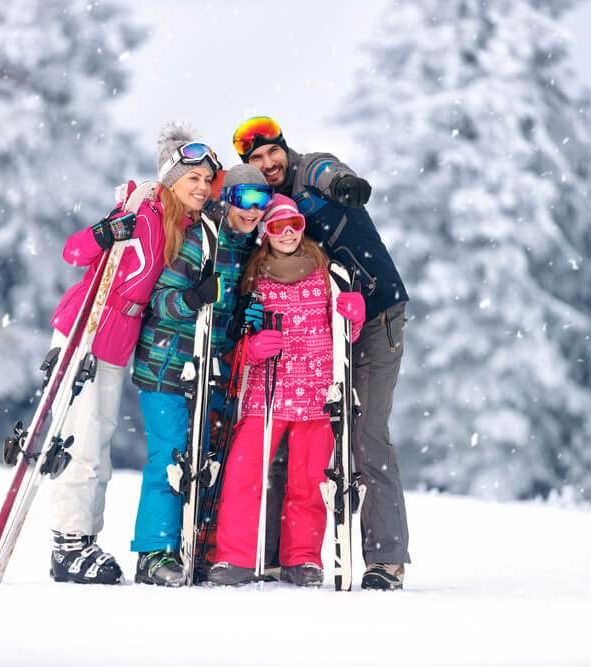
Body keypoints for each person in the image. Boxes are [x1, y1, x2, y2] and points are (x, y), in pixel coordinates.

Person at [231, 116, 411, 590]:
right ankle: (283, 554)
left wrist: (346, 185)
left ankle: (386, 559)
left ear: (286, 150)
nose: (269, 164)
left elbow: (328, 169)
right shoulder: (267, 207)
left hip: (372, 317)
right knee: (300, 436)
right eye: (256, 159)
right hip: (320, 332)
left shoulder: (310, 174)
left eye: (273, 153)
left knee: (363, 431)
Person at [46, 126, 203, 584]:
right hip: (87, 328)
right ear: (171, 178)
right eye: (190, 177)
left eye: (205, 180)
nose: (200, 187)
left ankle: (84, 541)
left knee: (100, 443)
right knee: (81, 438)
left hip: (121, 341)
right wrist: (106, 230)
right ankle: (68, 543)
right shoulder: (139, 210)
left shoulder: (186, 225)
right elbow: (74, 252)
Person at [207, 195, 366, 587]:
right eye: (278, 226)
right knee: (244, 474)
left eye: (294, 223)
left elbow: (342, 334)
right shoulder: (255, 277)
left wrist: (353, 317)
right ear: (266, 233)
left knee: (309, 481)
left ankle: (303, 559)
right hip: (266, 391)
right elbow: (240, 337)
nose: (289, 233)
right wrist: (251, 348)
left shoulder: (324, 272)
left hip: (315, 392)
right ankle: (235, 557)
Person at [129, 162, 272, 586]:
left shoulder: (248, 249)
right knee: (171, 455)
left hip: (209, 370)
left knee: (205, 458)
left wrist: (241, 320)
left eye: (260, 202)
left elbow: (226, 318)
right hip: (166, 366)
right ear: (228, 199)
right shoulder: (199, 240)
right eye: (245, 199)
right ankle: (153, 553)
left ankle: (192, 546)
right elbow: (162, 301)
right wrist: (193, 296)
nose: (252, 210)